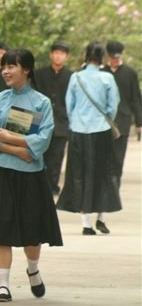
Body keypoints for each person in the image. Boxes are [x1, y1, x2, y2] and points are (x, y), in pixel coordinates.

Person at [0, 48, 62, 302]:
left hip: (30, 175)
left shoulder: (41, 102)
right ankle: (3, 285)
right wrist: (17, 149)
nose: (5, 71)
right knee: (1, 226)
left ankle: (33, 269)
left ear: (26, 69)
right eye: (3, 67)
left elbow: (44, 138)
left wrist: (11, 137)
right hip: (2, 172)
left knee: (32, 228)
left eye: (11, 66)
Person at [57, 42, 122, 234]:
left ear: (86, 56)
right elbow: (113, 105)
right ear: (102, 57)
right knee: (104, 173)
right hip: (101, 131)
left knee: (79, 174)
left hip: (78, 131)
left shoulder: (75, 77)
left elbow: (69, 104)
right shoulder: (107, 78)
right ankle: (101, 218)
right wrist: (104, 119)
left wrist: (76, 121)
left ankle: (86, 223)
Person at [33, 40, 72, 195]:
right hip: (40, 120)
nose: (58, 56)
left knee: (57, 156)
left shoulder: (71, 76)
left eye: (62, 53)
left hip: (62, 122)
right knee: (40, 154)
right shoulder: (39, 74)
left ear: (66, 57)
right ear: (51, 55)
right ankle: (40, 185)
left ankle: (52, 186)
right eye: (56, 53)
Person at [103, 40, 142, 188]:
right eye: (112, 57)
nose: (114, 60)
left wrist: (139, 122)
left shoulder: (130, 73)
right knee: (104, 156)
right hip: (104, 122)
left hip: (123, 121)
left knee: (118, 158)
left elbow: (136, 98)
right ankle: (104, 187)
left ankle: (115, 186)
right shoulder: (101, 72)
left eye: (117, 57)